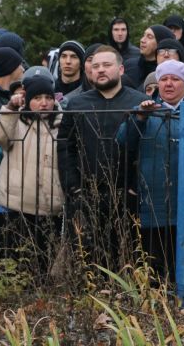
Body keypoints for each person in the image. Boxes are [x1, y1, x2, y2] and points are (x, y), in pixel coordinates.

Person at [118, 60, 184, 279]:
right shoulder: (145, 110)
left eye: (175, 79)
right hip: (155, 202)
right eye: (163, 79)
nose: (168, 84)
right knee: (157, 265)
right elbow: (123, 142)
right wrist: (140, 118)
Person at [58, 45, 149, 269]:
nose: (100, 70)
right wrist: (74, 188)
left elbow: (147, 148)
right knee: (88, 263)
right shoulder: (77, 104)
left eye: (106, 65)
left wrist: (134, 187)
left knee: (129, 261)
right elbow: (64, 147)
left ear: (120, 69)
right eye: (95, 66)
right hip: (85, 196)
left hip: (127, 197)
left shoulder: (138, 102)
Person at [0, 74, 64, 273]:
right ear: (28, 100)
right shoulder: (17, 120)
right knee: (13, 266)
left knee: (43, 266)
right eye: (37, 98)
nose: (44, 103)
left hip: (49, 207)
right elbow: (0, 138)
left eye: (48, 98)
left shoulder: (63, 123)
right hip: (15, 206)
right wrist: (10, 110)